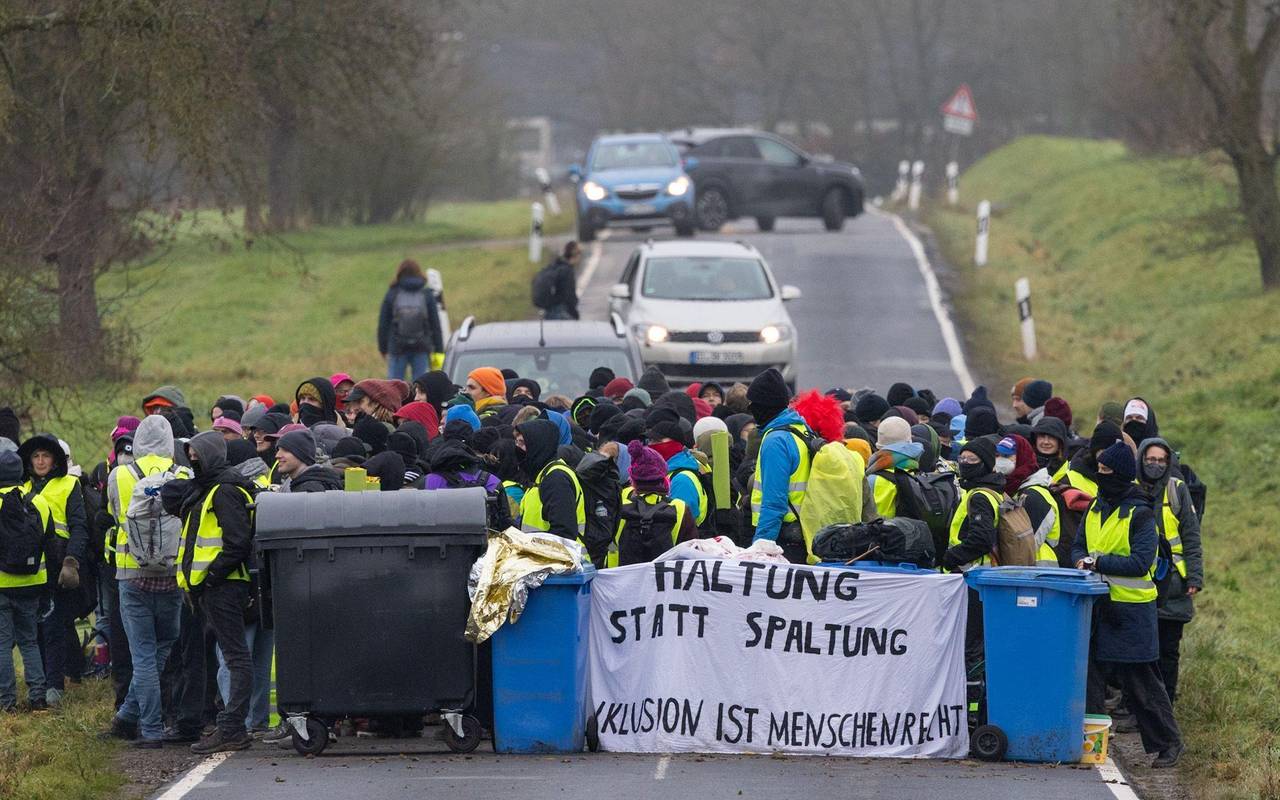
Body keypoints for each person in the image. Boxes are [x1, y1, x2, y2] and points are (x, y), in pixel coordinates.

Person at [1074, 442, 1184, 768]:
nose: (1100, 475)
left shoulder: (1142, 513)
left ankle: (1169, 743)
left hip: (1133, 612)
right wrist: (1081, 559)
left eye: (1106, 471)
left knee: (1141, 683)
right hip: (1098, 607)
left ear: (1120, 474)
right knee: (1091, 677)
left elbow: (1139, 563)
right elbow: (1078, 545)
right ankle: (1091, 744)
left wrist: (1096, 563)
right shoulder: (1096, 506)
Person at [102, 415, 188, 748]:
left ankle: (149, 729)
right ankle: (127, 716)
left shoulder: (120, 475)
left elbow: (115, 515)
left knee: (143, 655)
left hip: (131, 572)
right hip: (171, 573)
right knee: (163, 647)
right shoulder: (183, 475)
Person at [170, 431, 257, 754]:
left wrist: (211, 578)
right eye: (189, 455)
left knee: (235, 658)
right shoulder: (208, 489)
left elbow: (237, 542)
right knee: (233, 657)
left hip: (223, 587)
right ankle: (232, 725)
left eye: (196, 455)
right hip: (214, 588)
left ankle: (233, 727)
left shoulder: (223, 491)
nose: (192, 460)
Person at [18, 433, 88, 707]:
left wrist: (72, 561)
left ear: (56, 459)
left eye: (45, 456)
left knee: (54, 626)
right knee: (32, 629)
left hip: (58, 563)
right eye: (35, 456)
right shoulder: (20, 486)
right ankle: (39, 684)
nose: (40, 461)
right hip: (27, 566)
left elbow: (79, 526)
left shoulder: (69, 484)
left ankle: (54, 685)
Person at [1137, 437, 1203, 705]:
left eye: (1161, 460)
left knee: (1168, 651)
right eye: (1150, 460)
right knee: (1141, 652)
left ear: (1169, 462)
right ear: (1141, 460)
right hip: (1139, 583)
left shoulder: (1177, 489)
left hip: (1174, 584)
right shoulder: (1131, 488)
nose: (1155, 465)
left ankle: (1165, 706)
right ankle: (1138, 708)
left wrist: (1195, 576)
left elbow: (1191, 535)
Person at [941, 437, 1004, 670]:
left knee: (971, 646)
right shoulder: (991, 492)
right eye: (962, 458)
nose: (965, 463)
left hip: (973, 578)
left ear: (985, 464)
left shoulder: (979, 497)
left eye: (972, 459)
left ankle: (972, 699)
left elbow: (981, 539)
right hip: (982, 578)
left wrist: (950, 558)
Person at [0, 450, 52, 712]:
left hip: (1, 586)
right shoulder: (38, 501)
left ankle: (6, 703)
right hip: (32, 582)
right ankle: (38, 698)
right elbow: (50, 540)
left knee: (2, 645)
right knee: (29, 641)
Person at [746, 368, 812, 564]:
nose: (750, 409)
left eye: (753, 404)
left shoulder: (776, 441)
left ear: (764, 405)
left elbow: (774, 502)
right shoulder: (801, 429)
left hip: (783, 540)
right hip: (803, 533)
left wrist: (761, 547)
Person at [607, 441, 697, 567]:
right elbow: (691, 557)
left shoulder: (618, 506)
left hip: (622, 582)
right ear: (664, 477)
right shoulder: (680, 509)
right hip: (665, 583)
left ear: (632, 479)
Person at [514, 419, 585, 542]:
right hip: (542, 558)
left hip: (560, 559)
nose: (517, 448)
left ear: (538, 444)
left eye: (522, 443)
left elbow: (563, 532)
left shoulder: (556, 478)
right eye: (516, 442)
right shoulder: (541, 475)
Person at [378, 259, 444, 381]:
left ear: (399, 273)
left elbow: (383, 324)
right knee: (421, 386)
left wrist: (383, 349)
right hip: (421, 347)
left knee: (394, 388)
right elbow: (435, 324)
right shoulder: (426, 294)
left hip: (397, 348)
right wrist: (439, 349)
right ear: (419, 272)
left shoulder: (392, 293)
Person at [1001, 434, 1061, 567]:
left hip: (1036, 571)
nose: (1000, 461)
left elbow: (1025, 545)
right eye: (997, 455)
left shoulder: (1034, 496)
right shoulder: (1016, 489)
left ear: (1022, 457)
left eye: (1006, 456)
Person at [645, 407, 707, 528]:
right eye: (650, 440)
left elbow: (680, 525)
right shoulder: (666, 473)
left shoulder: (681, 479)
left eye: (657, 440)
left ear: (675, 444)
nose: (651, 445)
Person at [865, 417, 923, 520]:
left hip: (881, 532)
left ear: (878, 446)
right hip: (912, 532)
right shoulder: (917, 471)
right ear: (909, 442)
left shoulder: (872, 479)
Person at [274, 430, 342, 493]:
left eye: (286, 450)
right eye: (278, 450)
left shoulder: (309, 490)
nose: (277, 455)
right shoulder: (306, 482)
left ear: (301, 454)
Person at [539, 241, 582, 320]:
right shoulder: (567, 271)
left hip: (550, 312)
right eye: (580, 253)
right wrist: (575, 315)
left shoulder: (557, 266)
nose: (580, 256)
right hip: (561, 313)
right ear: (574, 253)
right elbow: (569, 297)